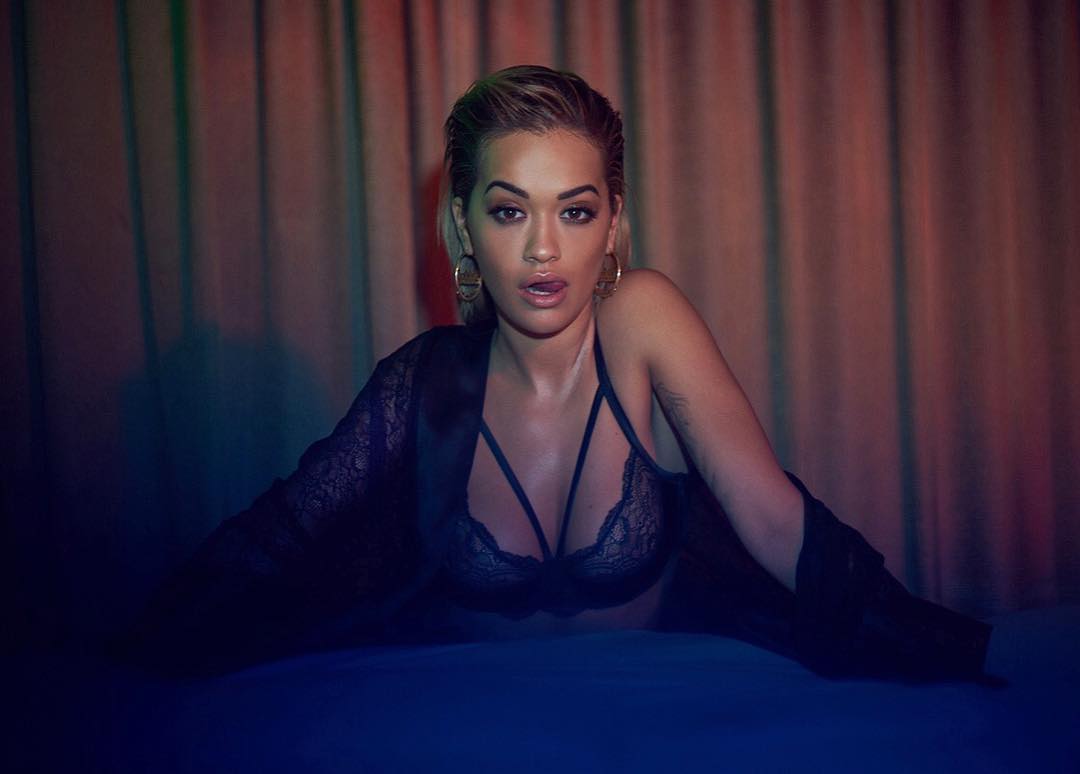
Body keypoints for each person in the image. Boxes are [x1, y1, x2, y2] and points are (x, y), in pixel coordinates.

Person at [121, 65, 992, 679]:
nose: (544, 248)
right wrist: (139, 653)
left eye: (574, 212)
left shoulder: (641, 317)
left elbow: (770, 517)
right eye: (510, 212)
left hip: (651, 724)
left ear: (612, 224)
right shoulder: (422, 381)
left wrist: (934, 647)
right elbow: (283, 538)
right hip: (472, 735)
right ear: (463, 227)